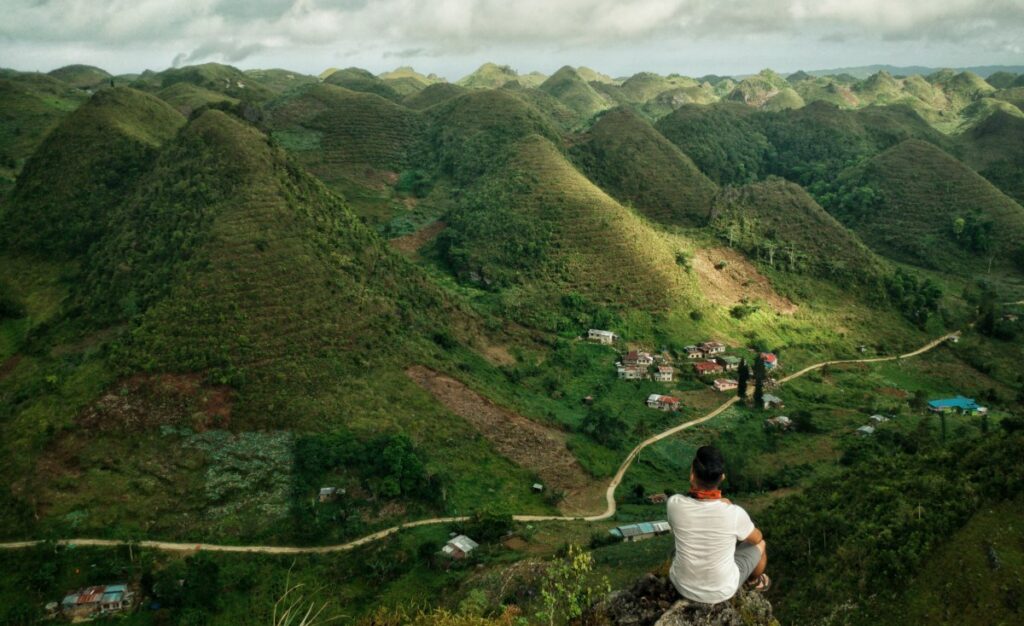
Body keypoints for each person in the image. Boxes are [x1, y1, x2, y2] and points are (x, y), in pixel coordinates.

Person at [666, 446, 769, 604]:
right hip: (721, 591)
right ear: (722, 478)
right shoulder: (734, 513)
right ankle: (754, 581)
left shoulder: (674, 504)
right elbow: (756, 538)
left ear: (692, 475)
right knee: (761, 545)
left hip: (681, 584)